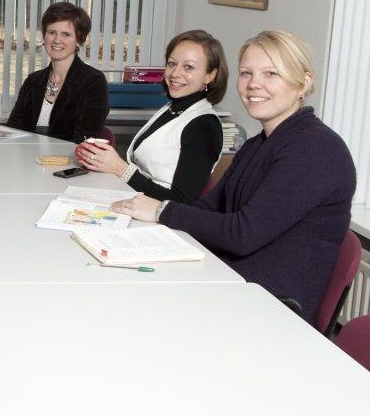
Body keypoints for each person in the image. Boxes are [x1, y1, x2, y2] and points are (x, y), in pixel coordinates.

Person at [111, 31, 356, 325]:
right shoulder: (260, 143)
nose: (254, 84)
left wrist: (162, 211)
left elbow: (243, 234)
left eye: (271, 74)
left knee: (134, 313)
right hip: (229, 279)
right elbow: (209, 208)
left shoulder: (315, 149)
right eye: (246, 73)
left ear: (303, 82)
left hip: (268, 309)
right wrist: (146, 218)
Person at [76, 30, 227, 203]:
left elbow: (181, 202)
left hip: (160, 220)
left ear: (210, 75)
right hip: (135, 202)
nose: (175, 73)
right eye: (172, 63)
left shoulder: (204, 126)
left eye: (189, 67)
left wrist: (120, 168)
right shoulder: (173, 108)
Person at [5, 1, 109, 142]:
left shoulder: (93, 81)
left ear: (79, 40)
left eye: (66, 34)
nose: (57, 40)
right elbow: (14, 130)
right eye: (51, 32)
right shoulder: (33, 80)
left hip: (68, 161)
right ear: (44, 36)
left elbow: (85, 140)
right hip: (28, 158)